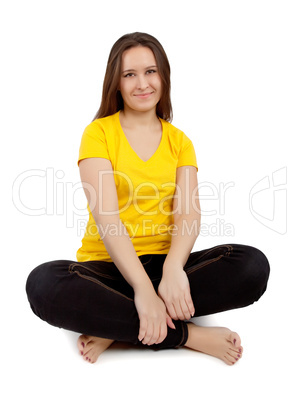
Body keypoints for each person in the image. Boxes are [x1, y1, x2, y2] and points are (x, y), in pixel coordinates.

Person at [26, 32, 270, 365]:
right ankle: (186, 334)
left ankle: (115, 326)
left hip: (166, 263)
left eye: (151, 71)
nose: (142, 83)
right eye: (130, 74)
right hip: (109, 267)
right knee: (43, 285)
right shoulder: (98, 133)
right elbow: (107, 218)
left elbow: (188, 214)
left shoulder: (180, 141)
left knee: (252, 266)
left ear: (163, 77)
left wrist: (172, 269)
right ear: (117, 82)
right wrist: (142, 289)